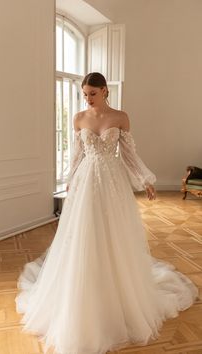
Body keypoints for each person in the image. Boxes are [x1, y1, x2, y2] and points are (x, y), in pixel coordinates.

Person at [15, 72, 199, 354]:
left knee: (113, 232)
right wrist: (70, 179)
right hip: (86, 181)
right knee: (83, 233)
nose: (88, 99)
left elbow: (128, 154)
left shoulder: (121, 117)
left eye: (92, 93)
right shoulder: (79, 118)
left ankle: (118, 287)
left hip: (112, 182)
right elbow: (77, 155)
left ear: (105, 92)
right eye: (84, 94)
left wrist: (146, 180)